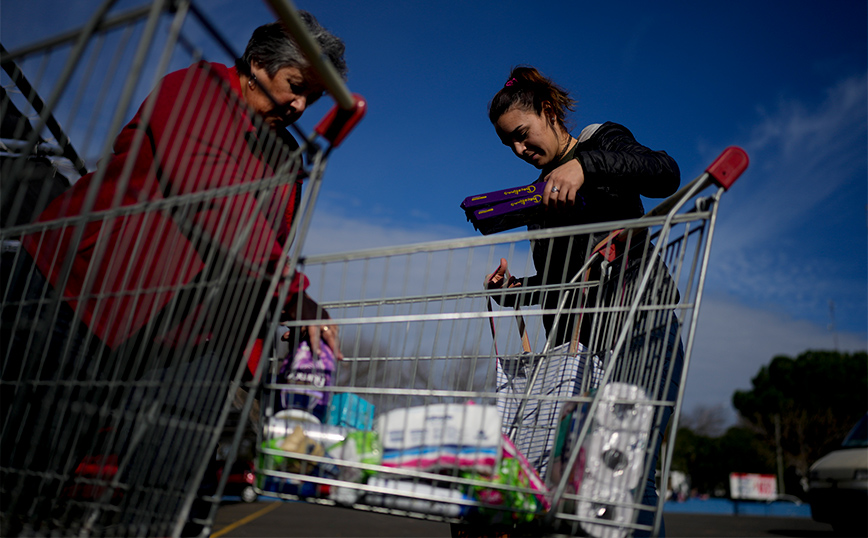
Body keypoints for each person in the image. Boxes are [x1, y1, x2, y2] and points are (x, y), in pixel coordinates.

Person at [1, 13, 345, 536]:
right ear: (256, 65)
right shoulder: (197, 90)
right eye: (297, 88)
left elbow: (268, 246)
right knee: (30, 459)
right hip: (76, 290)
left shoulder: (284, 159)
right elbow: (216, 206)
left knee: (139, 480)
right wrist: (296, 297)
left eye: (312, 99)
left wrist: (260, 341)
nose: (300, 107)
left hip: (164, 331)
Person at [478, 66, 683, 537]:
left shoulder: (601, 140)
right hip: (580, 355)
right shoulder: (541, 198)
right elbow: (560, 283)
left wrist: (585, 164)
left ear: (549, 112)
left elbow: (664, 172)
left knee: (621, 470)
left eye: (523, 135)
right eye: (508, 143)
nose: (519, 150)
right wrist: (515, 293)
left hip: (637, 330)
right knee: (589, 478)